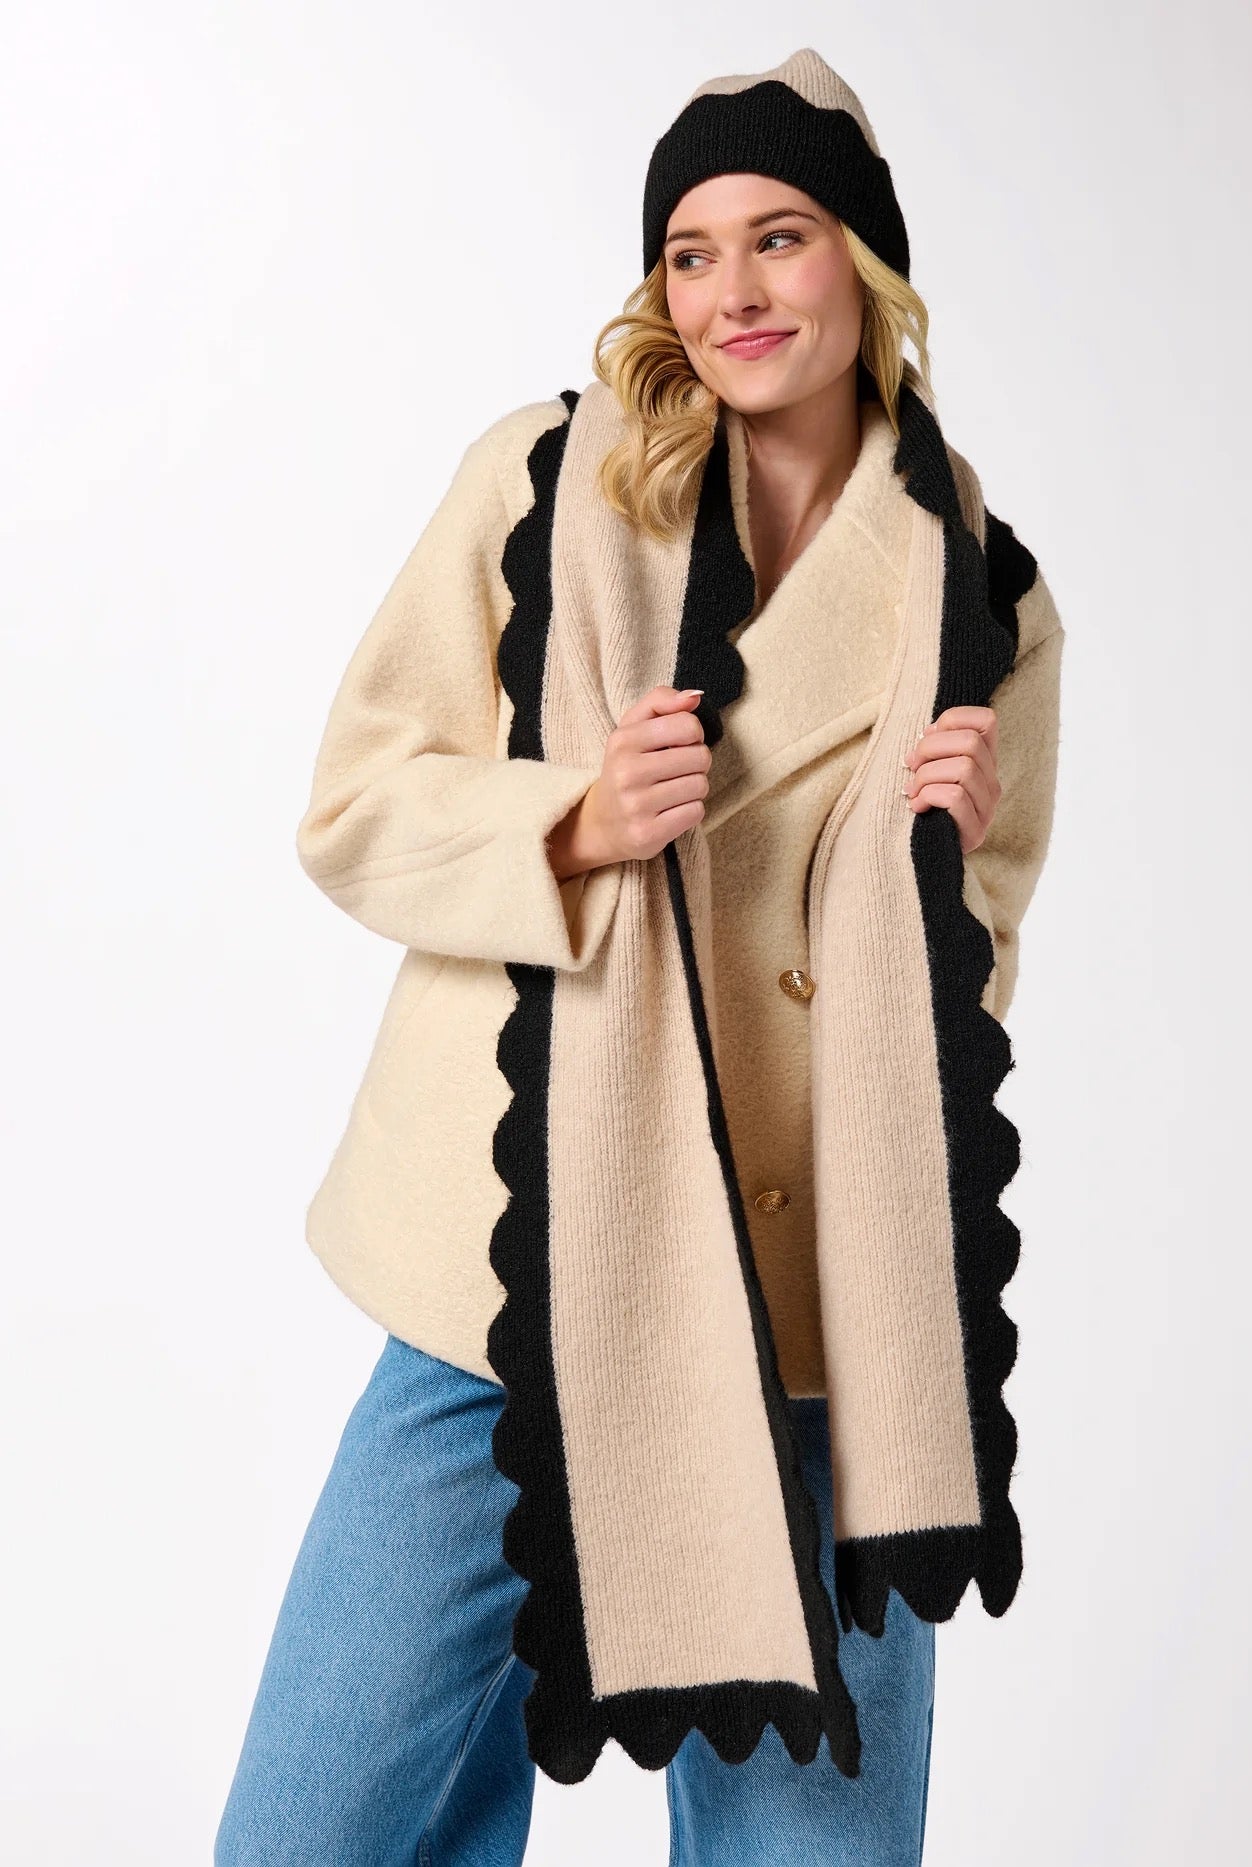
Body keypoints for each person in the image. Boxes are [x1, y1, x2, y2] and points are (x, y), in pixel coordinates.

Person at [215, 47, 1063, 1867]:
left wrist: (946, 874)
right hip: (513, 1273)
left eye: (781, 237)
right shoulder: (543, 485)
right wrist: (572, 823)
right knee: (311, 1832)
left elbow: (977, 978)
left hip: (824, 1317)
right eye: (690, 251)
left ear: (869, 264)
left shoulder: (984, 589)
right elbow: (355, 808)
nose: (732, 292)